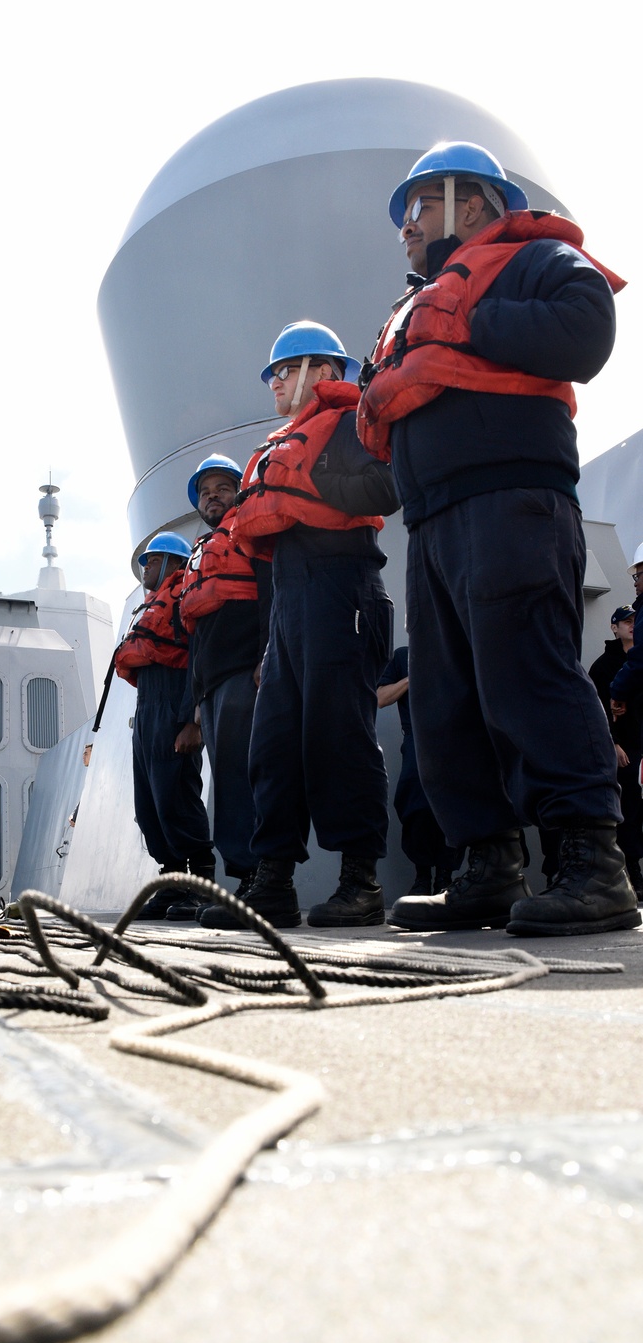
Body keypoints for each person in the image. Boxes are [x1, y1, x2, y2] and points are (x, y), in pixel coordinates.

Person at [358, 141, 638, 936]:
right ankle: (487, 862)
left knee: (529, 675)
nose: (405, 227)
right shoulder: (413, 310)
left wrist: (471, 315)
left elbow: (588, 331)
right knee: (447, 700)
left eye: (418, 207)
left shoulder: (534, 259)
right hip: (435, 521)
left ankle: (593, 865)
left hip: (514, 501)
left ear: (471, 200)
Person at [202, 321, 398, 930]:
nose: (275, 383)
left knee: (341, 738)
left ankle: (359, 881)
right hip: (289, 606)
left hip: (344, 593)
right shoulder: (281, 444)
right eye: (273, 374)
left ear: (325, 371)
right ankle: (273, 884)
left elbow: (386, 487)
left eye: (285, 370)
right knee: (274, 748)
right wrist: (270, 639)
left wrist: (310, 483)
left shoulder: (347, 424)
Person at [175, 454, 271, 922]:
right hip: (211, 685)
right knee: (229, 783)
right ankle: (243, 881)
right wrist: (195, 703)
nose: (213, 497)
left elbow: (270, 591)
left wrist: (266, 654)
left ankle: (263, 880)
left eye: (221, 488)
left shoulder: (249, 530)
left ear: (238, 490)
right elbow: (196, 631)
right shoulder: (200, 552)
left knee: (251, 776)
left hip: (243, 672)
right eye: (205, 491)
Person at [113, 531, 214, 918]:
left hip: (174, 705)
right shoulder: (151, 608)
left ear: (175, 564)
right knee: (150, 805)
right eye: (144, 563)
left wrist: (193, 721)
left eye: (153, 561)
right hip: (148, 710)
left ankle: (202, 886)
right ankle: (173, 881)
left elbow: (196, 660)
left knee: (177, 798)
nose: (146, 569)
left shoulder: (183, 601)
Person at [377, 644, 462, 896]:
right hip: (417, 738)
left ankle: (445, 878)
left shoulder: (456, 649)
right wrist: (414, 676)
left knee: (451, 808)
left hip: (455, 738)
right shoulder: (403, 656)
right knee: (415, 805)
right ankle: (422, 877)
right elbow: (381, 697)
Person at [588, 605, 643, 900]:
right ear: (614, 628)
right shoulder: (603, 667)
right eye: (626, 622)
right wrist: (614, 743)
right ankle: (633, 875)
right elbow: (597, 711)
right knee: (629, 813)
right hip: (626, 750)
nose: (632, 625)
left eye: (635, 620)